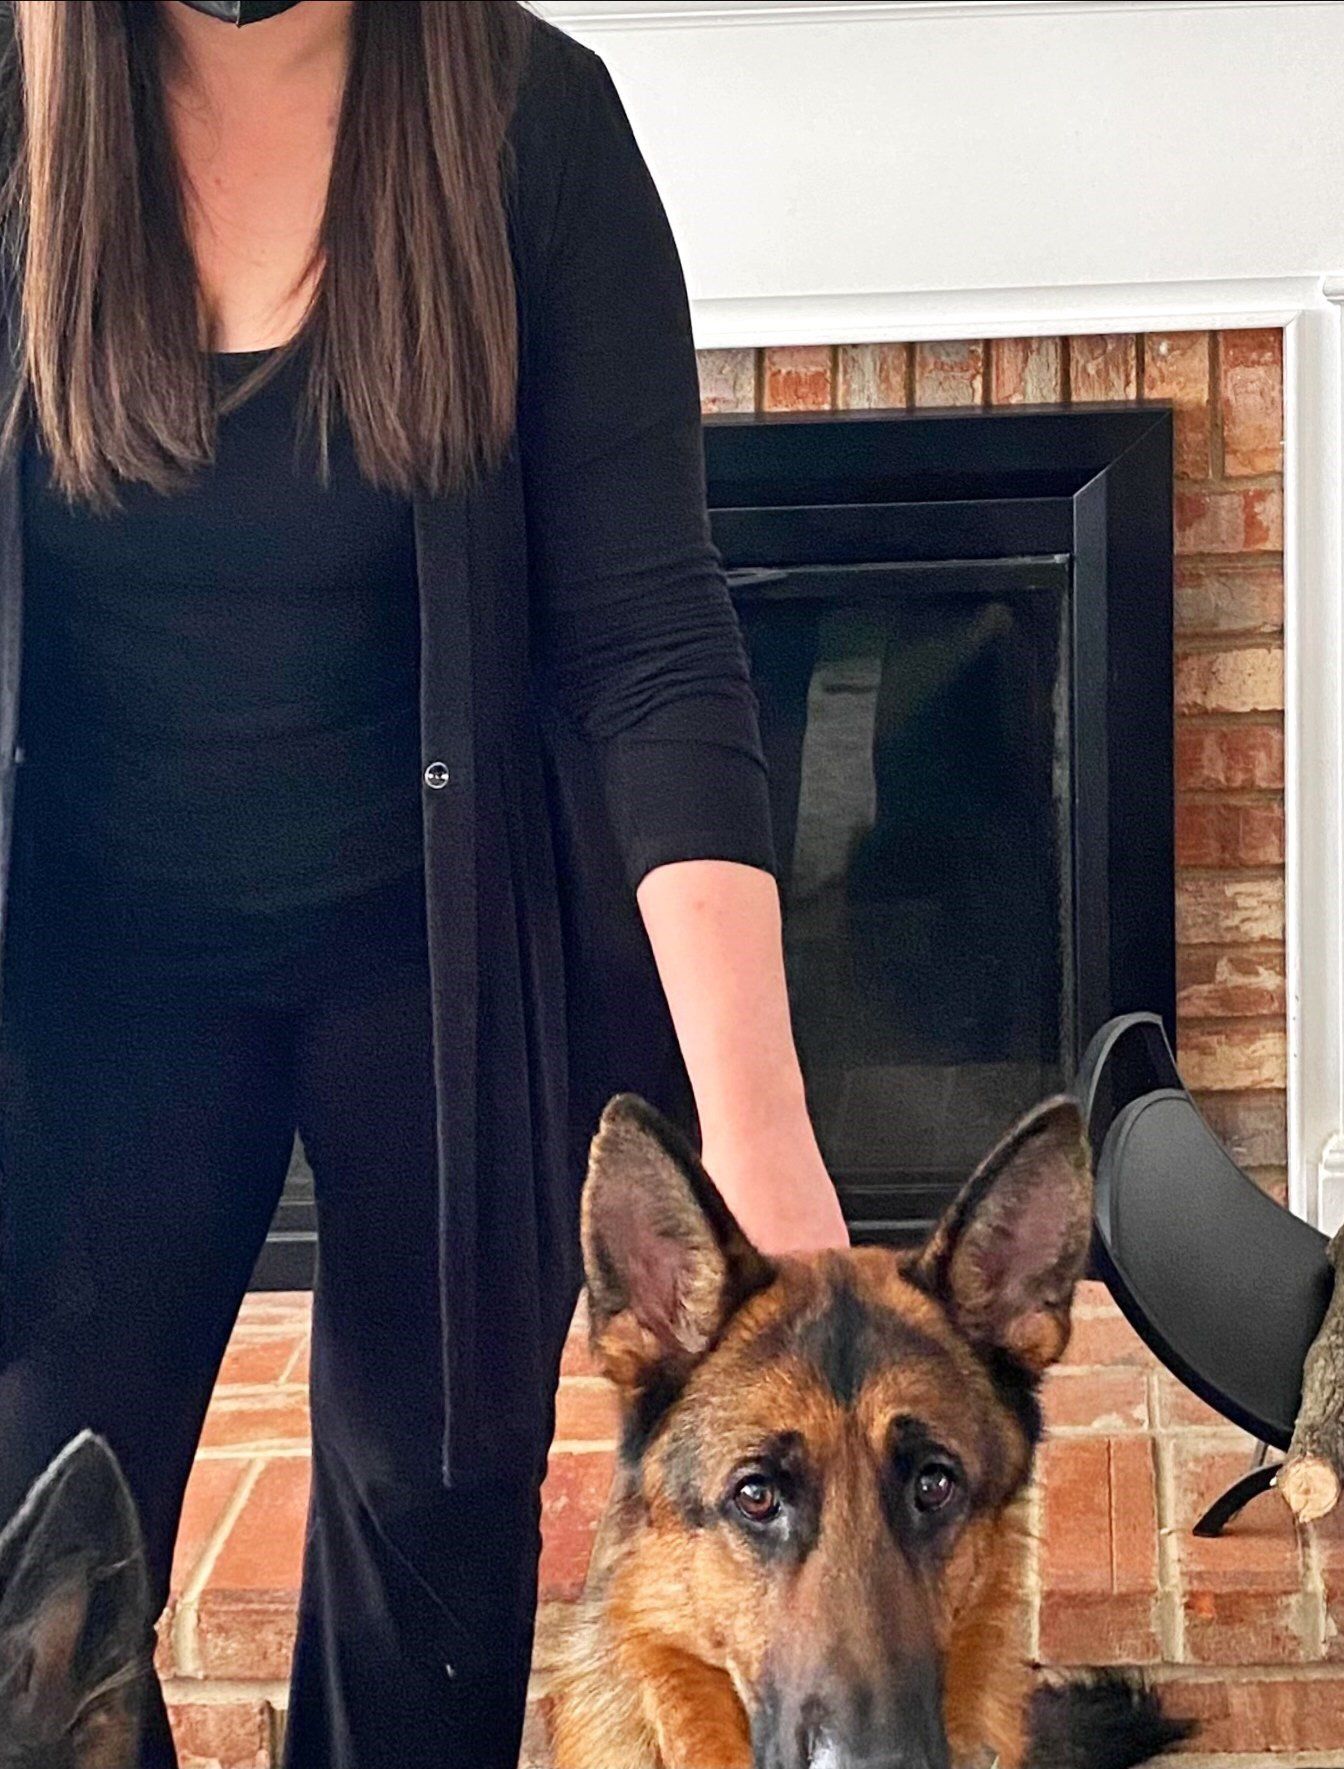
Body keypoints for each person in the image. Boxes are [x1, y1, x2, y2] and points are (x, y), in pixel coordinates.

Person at [0, 3, 848, 1765]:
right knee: (33, 1597)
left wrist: (760, 1144)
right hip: (87, 976)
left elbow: (651, 648)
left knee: (435, 1543)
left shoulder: (535, 125)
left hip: (442, 962)